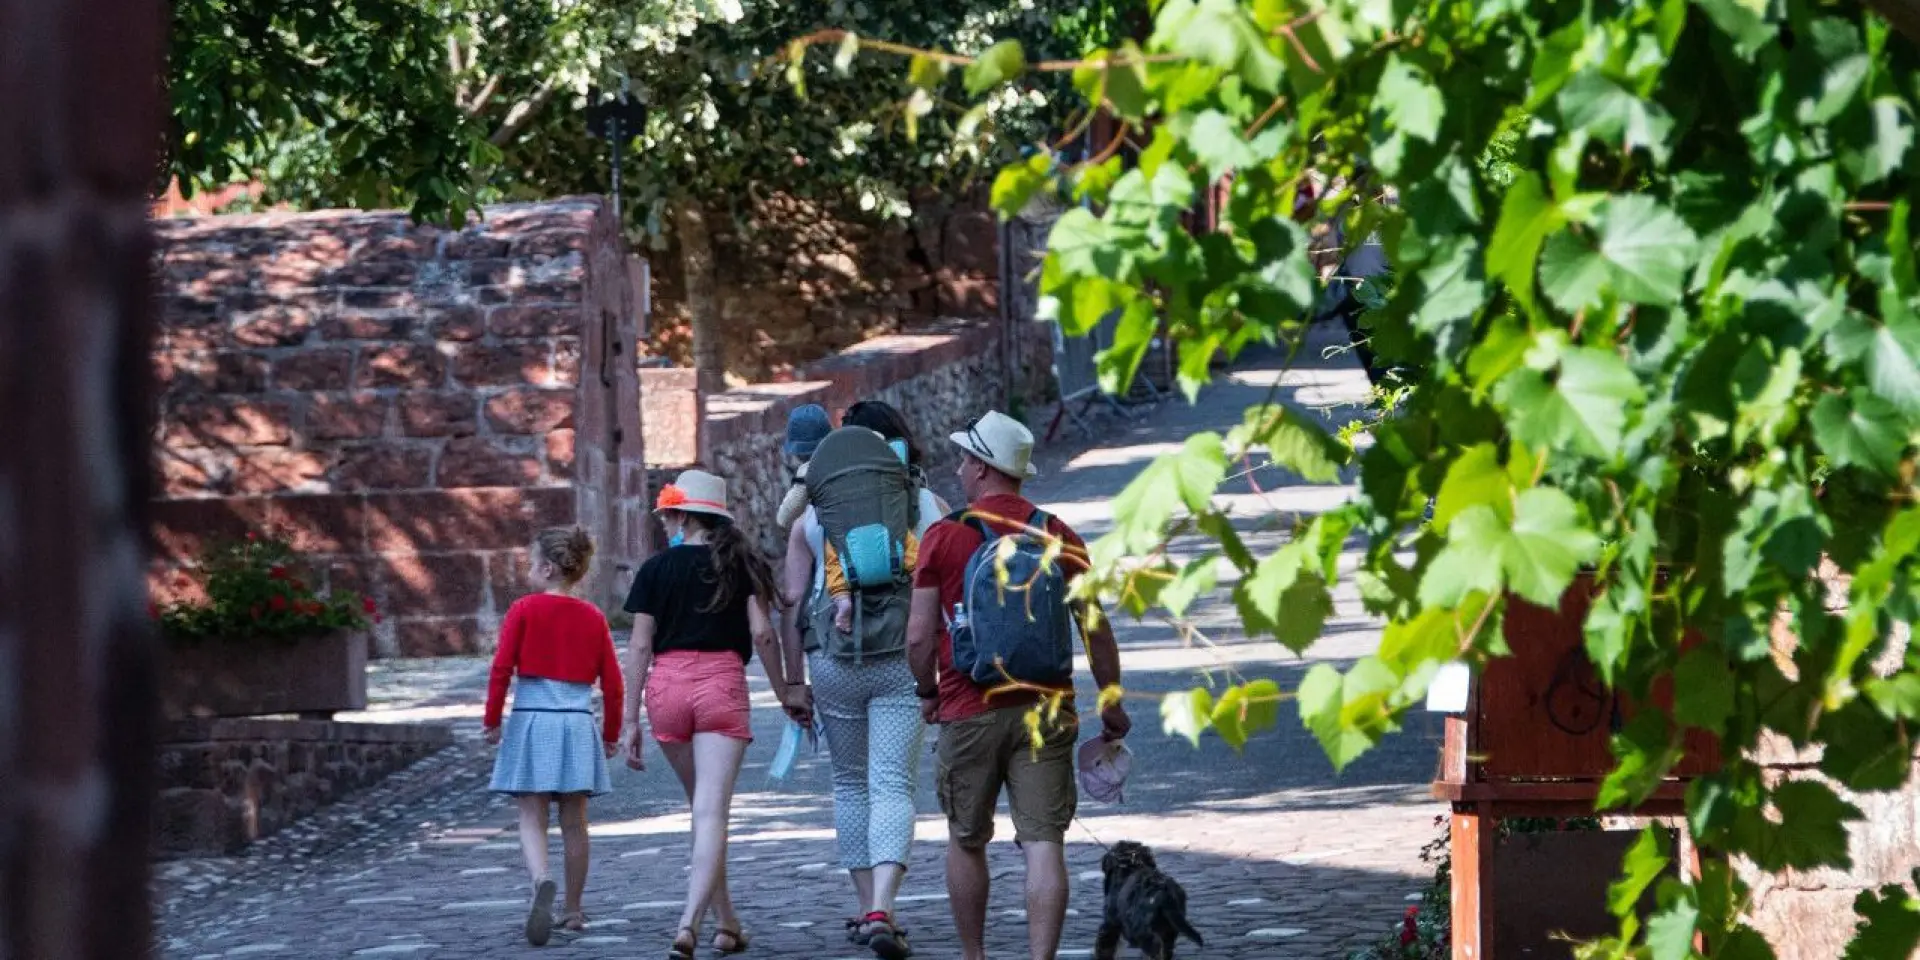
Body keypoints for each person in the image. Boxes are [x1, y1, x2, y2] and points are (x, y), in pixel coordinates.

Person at [906, 410, 1132, 960]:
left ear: (983, 468)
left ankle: (975, 956)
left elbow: (916, 636)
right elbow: (1095, 630)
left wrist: (928, 693)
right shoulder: (1057, 533)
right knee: (1043, 843)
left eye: (964, 459)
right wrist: (1111, 705)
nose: (958, 468)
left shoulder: (945, 535)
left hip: (967, 706)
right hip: (1046, 709)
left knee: (966, 838)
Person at [780, 400, 948, 959]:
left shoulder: (813, 511)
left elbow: (792, 602)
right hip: (904, 655)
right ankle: (884, 907)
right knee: (893, 785)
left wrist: (792, 682)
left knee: (850, 784)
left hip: (833, 661)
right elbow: (951, 593)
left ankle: (862, 907)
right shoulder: (926, 502)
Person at [619, 470, 811, 960]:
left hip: (667, 688)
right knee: (711, 814)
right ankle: (689, 924)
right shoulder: (739, 565)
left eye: (666, 514)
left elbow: (639, 646)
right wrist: (785, 689)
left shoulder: (654, 570)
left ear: (683, 515)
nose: (663, 523)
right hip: (720, 687)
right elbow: (764, 635)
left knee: (703, 813)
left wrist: (629, 720)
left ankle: (728, 923)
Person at [483, 526, 624, 947]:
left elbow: (501, 668)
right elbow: (613, 684)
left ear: (546, 569)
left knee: (532, 813)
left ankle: (542, 879)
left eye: (530, 563)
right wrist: (612, 732)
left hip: (533, 718)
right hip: (577, 722)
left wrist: (492, 719)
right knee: (575, 820)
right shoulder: (594, 617)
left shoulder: (524, 610)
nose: (528, 570)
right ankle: (575, 909)